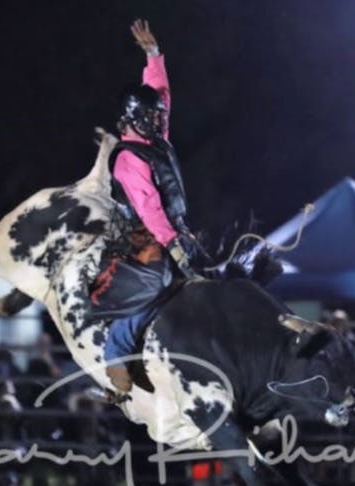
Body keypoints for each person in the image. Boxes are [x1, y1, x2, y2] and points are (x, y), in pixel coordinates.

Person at [91, 19, 199, 395]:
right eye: (152, 116)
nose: (159, 119)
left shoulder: (155, 139)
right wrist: (173, 243)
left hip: (173, 227)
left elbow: (160, 93)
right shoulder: (128, 158)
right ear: (134, 118)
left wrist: (153, 55)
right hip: (144, 235)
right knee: (156, 285)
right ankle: (116, 351)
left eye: (159, 116)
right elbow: (150, 208)